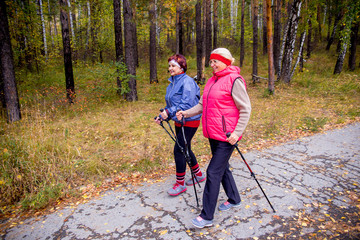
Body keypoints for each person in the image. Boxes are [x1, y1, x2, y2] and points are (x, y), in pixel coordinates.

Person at [176, 48, 251, 228]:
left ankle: (207, 216)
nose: (212, 65)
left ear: (226, 61)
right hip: (213, 134)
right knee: (223, 168)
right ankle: (234, 199)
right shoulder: (211, 81)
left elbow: (246, 109)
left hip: (227, 137)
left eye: (215, 61)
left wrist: (236, 133)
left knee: (213, 172)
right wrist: (185, 113)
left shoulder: (235, 80)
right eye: (211, 62)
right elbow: (202, 105)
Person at [155, 54, 206, 196]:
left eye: (173, 66)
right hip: (179, 120)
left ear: (181, 67)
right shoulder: (172, 83)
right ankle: (199, 175)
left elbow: (187, 104)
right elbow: (171, 105)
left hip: (190, 120)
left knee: (179, 150)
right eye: (169, 65)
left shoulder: (187, 82)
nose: (170, 68)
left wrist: (168, 111)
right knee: (185, 148)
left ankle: (180, 184)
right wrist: (163, 115)